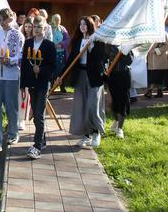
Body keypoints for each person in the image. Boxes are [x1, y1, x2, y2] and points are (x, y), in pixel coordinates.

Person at [61, 17, 107, 148]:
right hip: (80, 76)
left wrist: (92, 46)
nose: (82, 26)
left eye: (85, 24)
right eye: (80, 24)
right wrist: (61, 76)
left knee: (92, 105)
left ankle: (96, 131)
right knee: (81, 107)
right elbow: (71, 60)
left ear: (90, 26)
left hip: (94, 77)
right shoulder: (77, 41)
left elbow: (101, 58)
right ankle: (86, 135)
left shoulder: (97, 41)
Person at [0, 9, 23, 155]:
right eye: (0, 20)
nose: (2, 23)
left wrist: (10, 61)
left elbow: (20, 55)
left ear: (9, 18)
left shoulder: (17, 34)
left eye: (3, 20)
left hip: (11, 77)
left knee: (11, 108)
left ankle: (13, 133)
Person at [20, 16, 56, 158]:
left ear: (45, 28)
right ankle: (43, 139)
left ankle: (37, 146)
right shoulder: (28, 43)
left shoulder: (49, 45)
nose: (36, 30)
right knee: (35, 114)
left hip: (42, 83)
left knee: (39, 115)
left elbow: (52, 67)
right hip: (31, 83)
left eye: (39, 27)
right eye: (34, 27)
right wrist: (23, 84)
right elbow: (24, 64)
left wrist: (41, 70)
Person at [105, 44, 133, 139]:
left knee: (123, 102)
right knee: (113, 100)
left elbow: (130, 61)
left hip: (123, 75)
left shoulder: (126, 45)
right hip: (112, 76)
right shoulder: (108, 45)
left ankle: (120, 129)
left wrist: (125, 51)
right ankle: (116, 120)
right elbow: (105, 58)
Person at [144, 30, 168, 98]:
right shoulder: (147, 33)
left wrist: (156, 50)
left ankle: (149, 91)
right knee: (153, 76)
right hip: (150, 59)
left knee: (156, 76)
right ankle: (159, 91)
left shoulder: (162, 33)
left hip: (159, 59)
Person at [49, 14, 70, 94]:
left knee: (62, 70)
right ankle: (51, 86)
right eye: (56, 20)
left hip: (61, 53)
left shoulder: (62, 29)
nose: (58, 21)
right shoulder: (49, 28)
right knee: (53, 70)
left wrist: (61, 44)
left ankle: (62, 85)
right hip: (52, 53)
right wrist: (52, 45)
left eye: (59, 20)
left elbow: (67, 39)